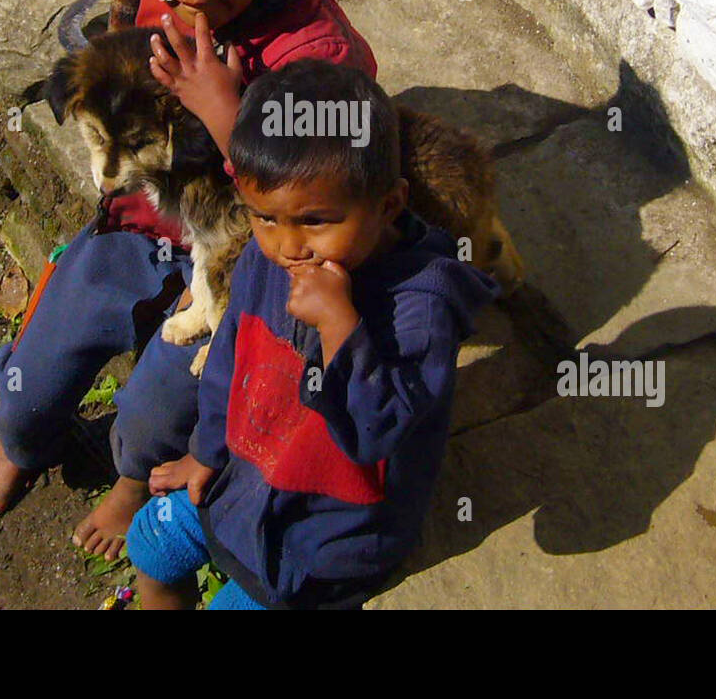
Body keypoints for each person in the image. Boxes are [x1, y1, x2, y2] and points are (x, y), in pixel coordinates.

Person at [0, 0, 377, 546]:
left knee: (157, 406)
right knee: (37, 370)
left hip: (249, 252)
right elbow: (116, 77)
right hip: (149, 220)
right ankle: (25, 439)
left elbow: (321, 199)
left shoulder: (315, 54)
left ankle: (130, 485)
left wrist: (227, 113)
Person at [126, 61, 500, 609]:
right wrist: (207, 450)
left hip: (326, 532)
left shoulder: (421, 307)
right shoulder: (264, 258)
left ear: (389, 204)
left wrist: (341, 327)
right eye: (265, 217)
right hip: (246, 473)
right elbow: (229, 357)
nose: (288, 246)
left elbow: (379, 431)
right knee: (149, 549)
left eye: (316, 221)